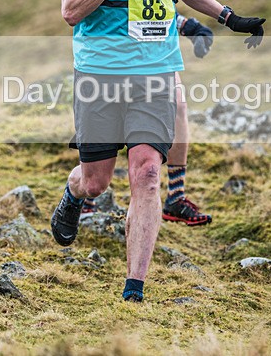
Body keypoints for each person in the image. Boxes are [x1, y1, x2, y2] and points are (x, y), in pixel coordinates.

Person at [51, 0, 266, 302]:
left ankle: (134, 290)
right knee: (96, 182)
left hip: (155, 74)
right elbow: (70, 10)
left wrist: (229, 17)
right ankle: (73, 196)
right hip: (100, 76)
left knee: (148, 172)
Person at [80, 12, 215, 227]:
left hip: (153, 51)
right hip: (110, 50)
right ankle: (84, 195)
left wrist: (188, 25)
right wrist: (184, 24)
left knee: (178, 106)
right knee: (109, 126)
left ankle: (176, 196)